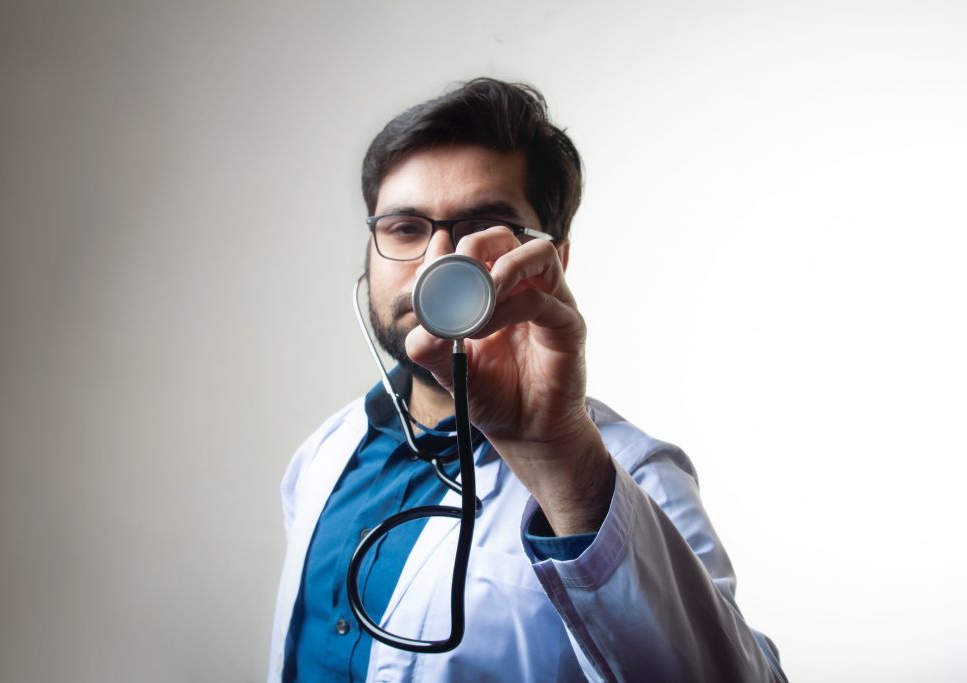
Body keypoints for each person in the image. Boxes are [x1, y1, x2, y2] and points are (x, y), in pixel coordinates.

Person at [267, 77, 787, 682]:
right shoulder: (323, 456)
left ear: (551, 262)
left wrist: (558, 458)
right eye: (405, 229)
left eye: (480, 228)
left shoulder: (629, 478)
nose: (436, 264)